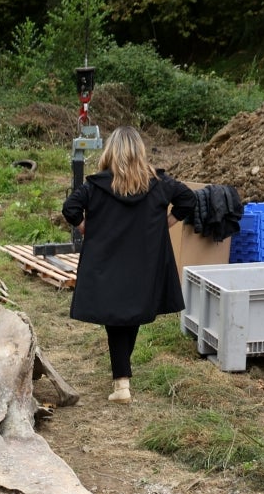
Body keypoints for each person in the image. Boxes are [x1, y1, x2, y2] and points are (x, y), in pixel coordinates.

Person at [62, 126, 196, 404]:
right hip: (144, 265)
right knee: (129, 317)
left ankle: (122, 381)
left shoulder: (96, 186)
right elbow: (188, 200)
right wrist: (166, 223)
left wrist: (87, 228)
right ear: (140, 153)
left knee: (117, 320)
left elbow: (70, 208)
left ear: (111, 152)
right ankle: (122, 379)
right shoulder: (158, 184)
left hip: (108, 263)